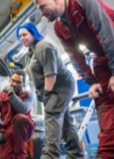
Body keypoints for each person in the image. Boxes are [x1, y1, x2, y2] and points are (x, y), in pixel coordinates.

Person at [34, 0, 114, 159]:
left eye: (42, 7)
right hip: (102, 53)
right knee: (103, 100)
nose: (41, 13)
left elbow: (106, 29)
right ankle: (106, 153)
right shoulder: (59, 27)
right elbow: (75, 56)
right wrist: (92, 81)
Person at [16, 22, 84, 158]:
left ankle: (50, 155)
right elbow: (35, 75)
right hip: (50, 89)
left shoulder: (43, 47)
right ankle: (76, 154)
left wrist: (46, 95)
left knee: (51, 118)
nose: (22, 38)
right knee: (65, 123)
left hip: (60, 87)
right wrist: (39, 92)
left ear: (33, 33)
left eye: (24, 34)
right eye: (19, 36)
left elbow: (50, 74)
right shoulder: (31, 50)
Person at [0, 69, 36, 159]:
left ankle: (19, 154)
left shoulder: (28, 95)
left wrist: (11, 94)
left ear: (24, 84)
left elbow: (23, 109)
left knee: (20, 118)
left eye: (18, 82)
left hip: (24, 130)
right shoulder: (0, 96)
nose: (14, 84)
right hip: (7, 131)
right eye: (13, 81)